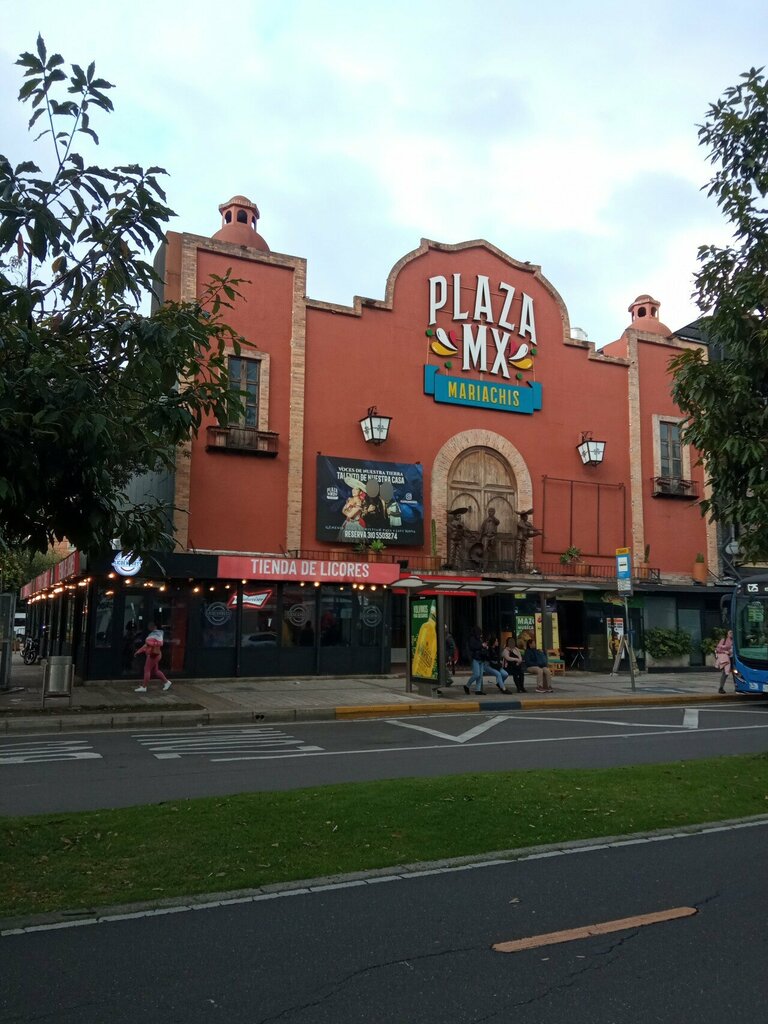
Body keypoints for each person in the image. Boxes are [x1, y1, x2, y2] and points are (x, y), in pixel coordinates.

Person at [134, 626, 172, 692]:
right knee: (155, 671)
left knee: (147, 669)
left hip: (153, 655)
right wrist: (139, 651)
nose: (150, 627)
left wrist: (149, 642)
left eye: (151, 626)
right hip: (154, 655)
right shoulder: (152, 634)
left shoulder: (158, 634)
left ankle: (144, 687)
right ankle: (166, 682)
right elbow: (146, 645)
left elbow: (160, 643)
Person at [463, 625, 488, 695]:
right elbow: (473, 647)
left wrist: (484, 646)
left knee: (480, 675)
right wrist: (482, 646)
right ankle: (467, 686)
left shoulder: (479, 639)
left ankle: (478, 690)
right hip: (475, 658)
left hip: (480, 658)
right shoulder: (472, 638)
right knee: (477, 674)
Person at [715, 629, 733, 693]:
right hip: (726, 658)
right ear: (727, 634)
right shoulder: (724, 640)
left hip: (734, 658)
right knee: (725, 673)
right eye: (730, 633)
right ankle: (721, 688)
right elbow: (718, 649)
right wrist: (725, 651)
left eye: (732, 632)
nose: (731, 634)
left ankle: (738, 686)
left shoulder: (736, 640)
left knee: (736, 673)